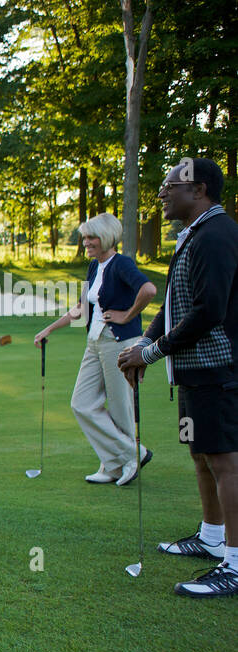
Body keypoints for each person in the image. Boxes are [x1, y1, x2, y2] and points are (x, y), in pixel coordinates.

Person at [118, 158, 238, 598]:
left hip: (217, 366)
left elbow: (208, 312)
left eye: (170, 186)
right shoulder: (193, 235)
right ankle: (211, 537)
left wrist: (149, 352)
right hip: (191, 368)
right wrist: (142, 349)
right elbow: (173, 308)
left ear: (199, 189)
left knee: (226, 460)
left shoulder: (217, 235)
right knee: (202, 454)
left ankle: (235, 562)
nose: (163, 194)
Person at [34, 213, 157, 485]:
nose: (86, 242)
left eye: (92, 237)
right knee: (81, 403)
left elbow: (148, 290)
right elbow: (81, 309)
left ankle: (119, 463)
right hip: (94, 341)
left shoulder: (121, 263)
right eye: (85, 237)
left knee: (120, 408)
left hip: (119, 342)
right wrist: (49, 329)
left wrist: (126, 315)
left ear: (108, 237)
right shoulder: (94, 267)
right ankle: (128, 456)